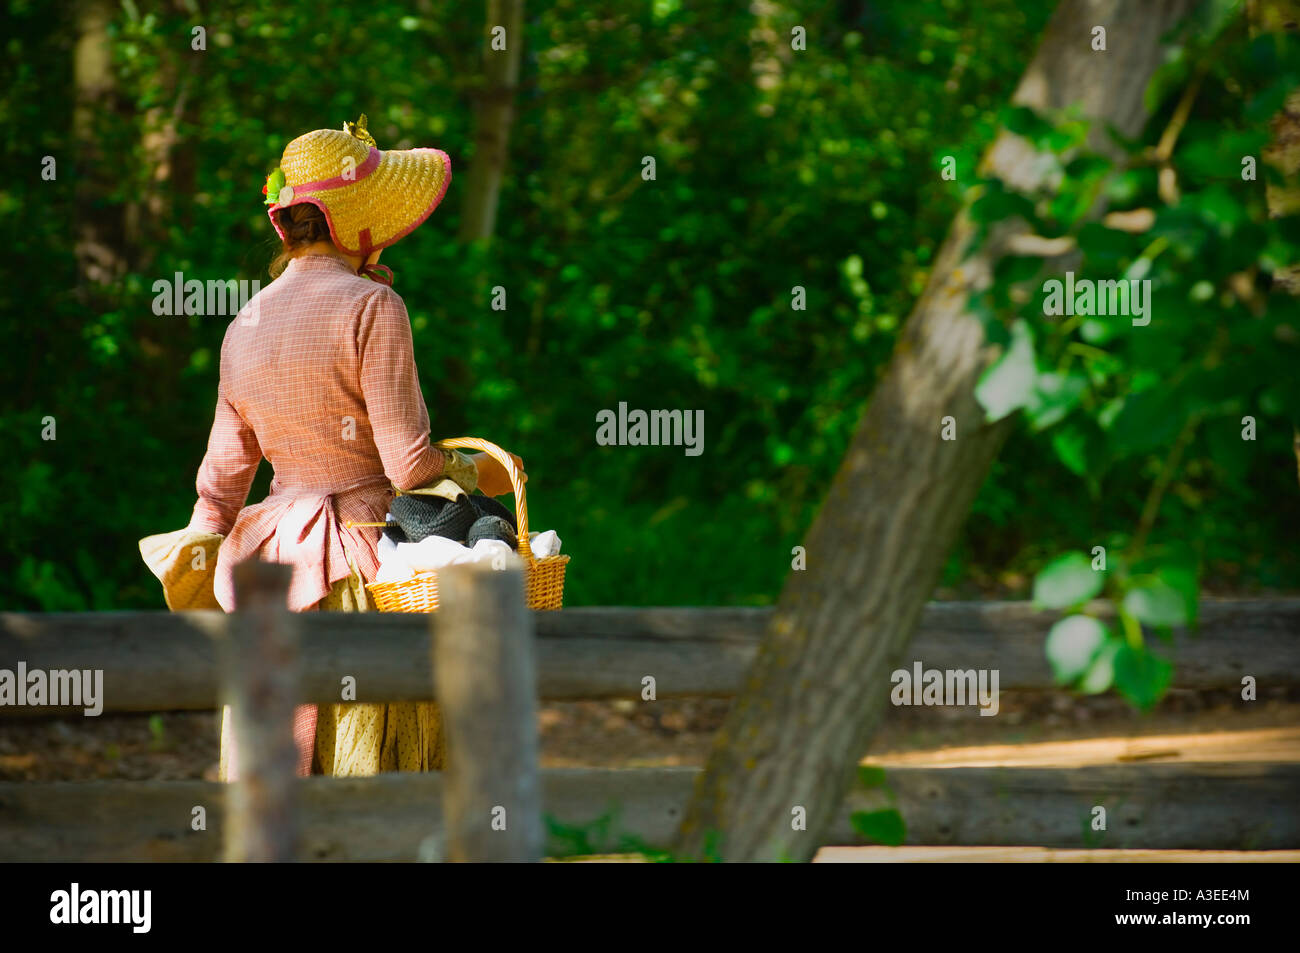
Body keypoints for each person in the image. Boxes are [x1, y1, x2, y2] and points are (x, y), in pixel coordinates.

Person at [140, 114, 524, 779]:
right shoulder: (373, 308)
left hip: (267, 569)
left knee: (279, 777)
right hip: (357, 560)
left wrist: (199, 559)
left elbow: (221, 481)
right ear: (360, 221)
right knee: (375, 773)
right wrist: (468, 470)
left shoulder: (244, 322)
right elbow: (408, 464)